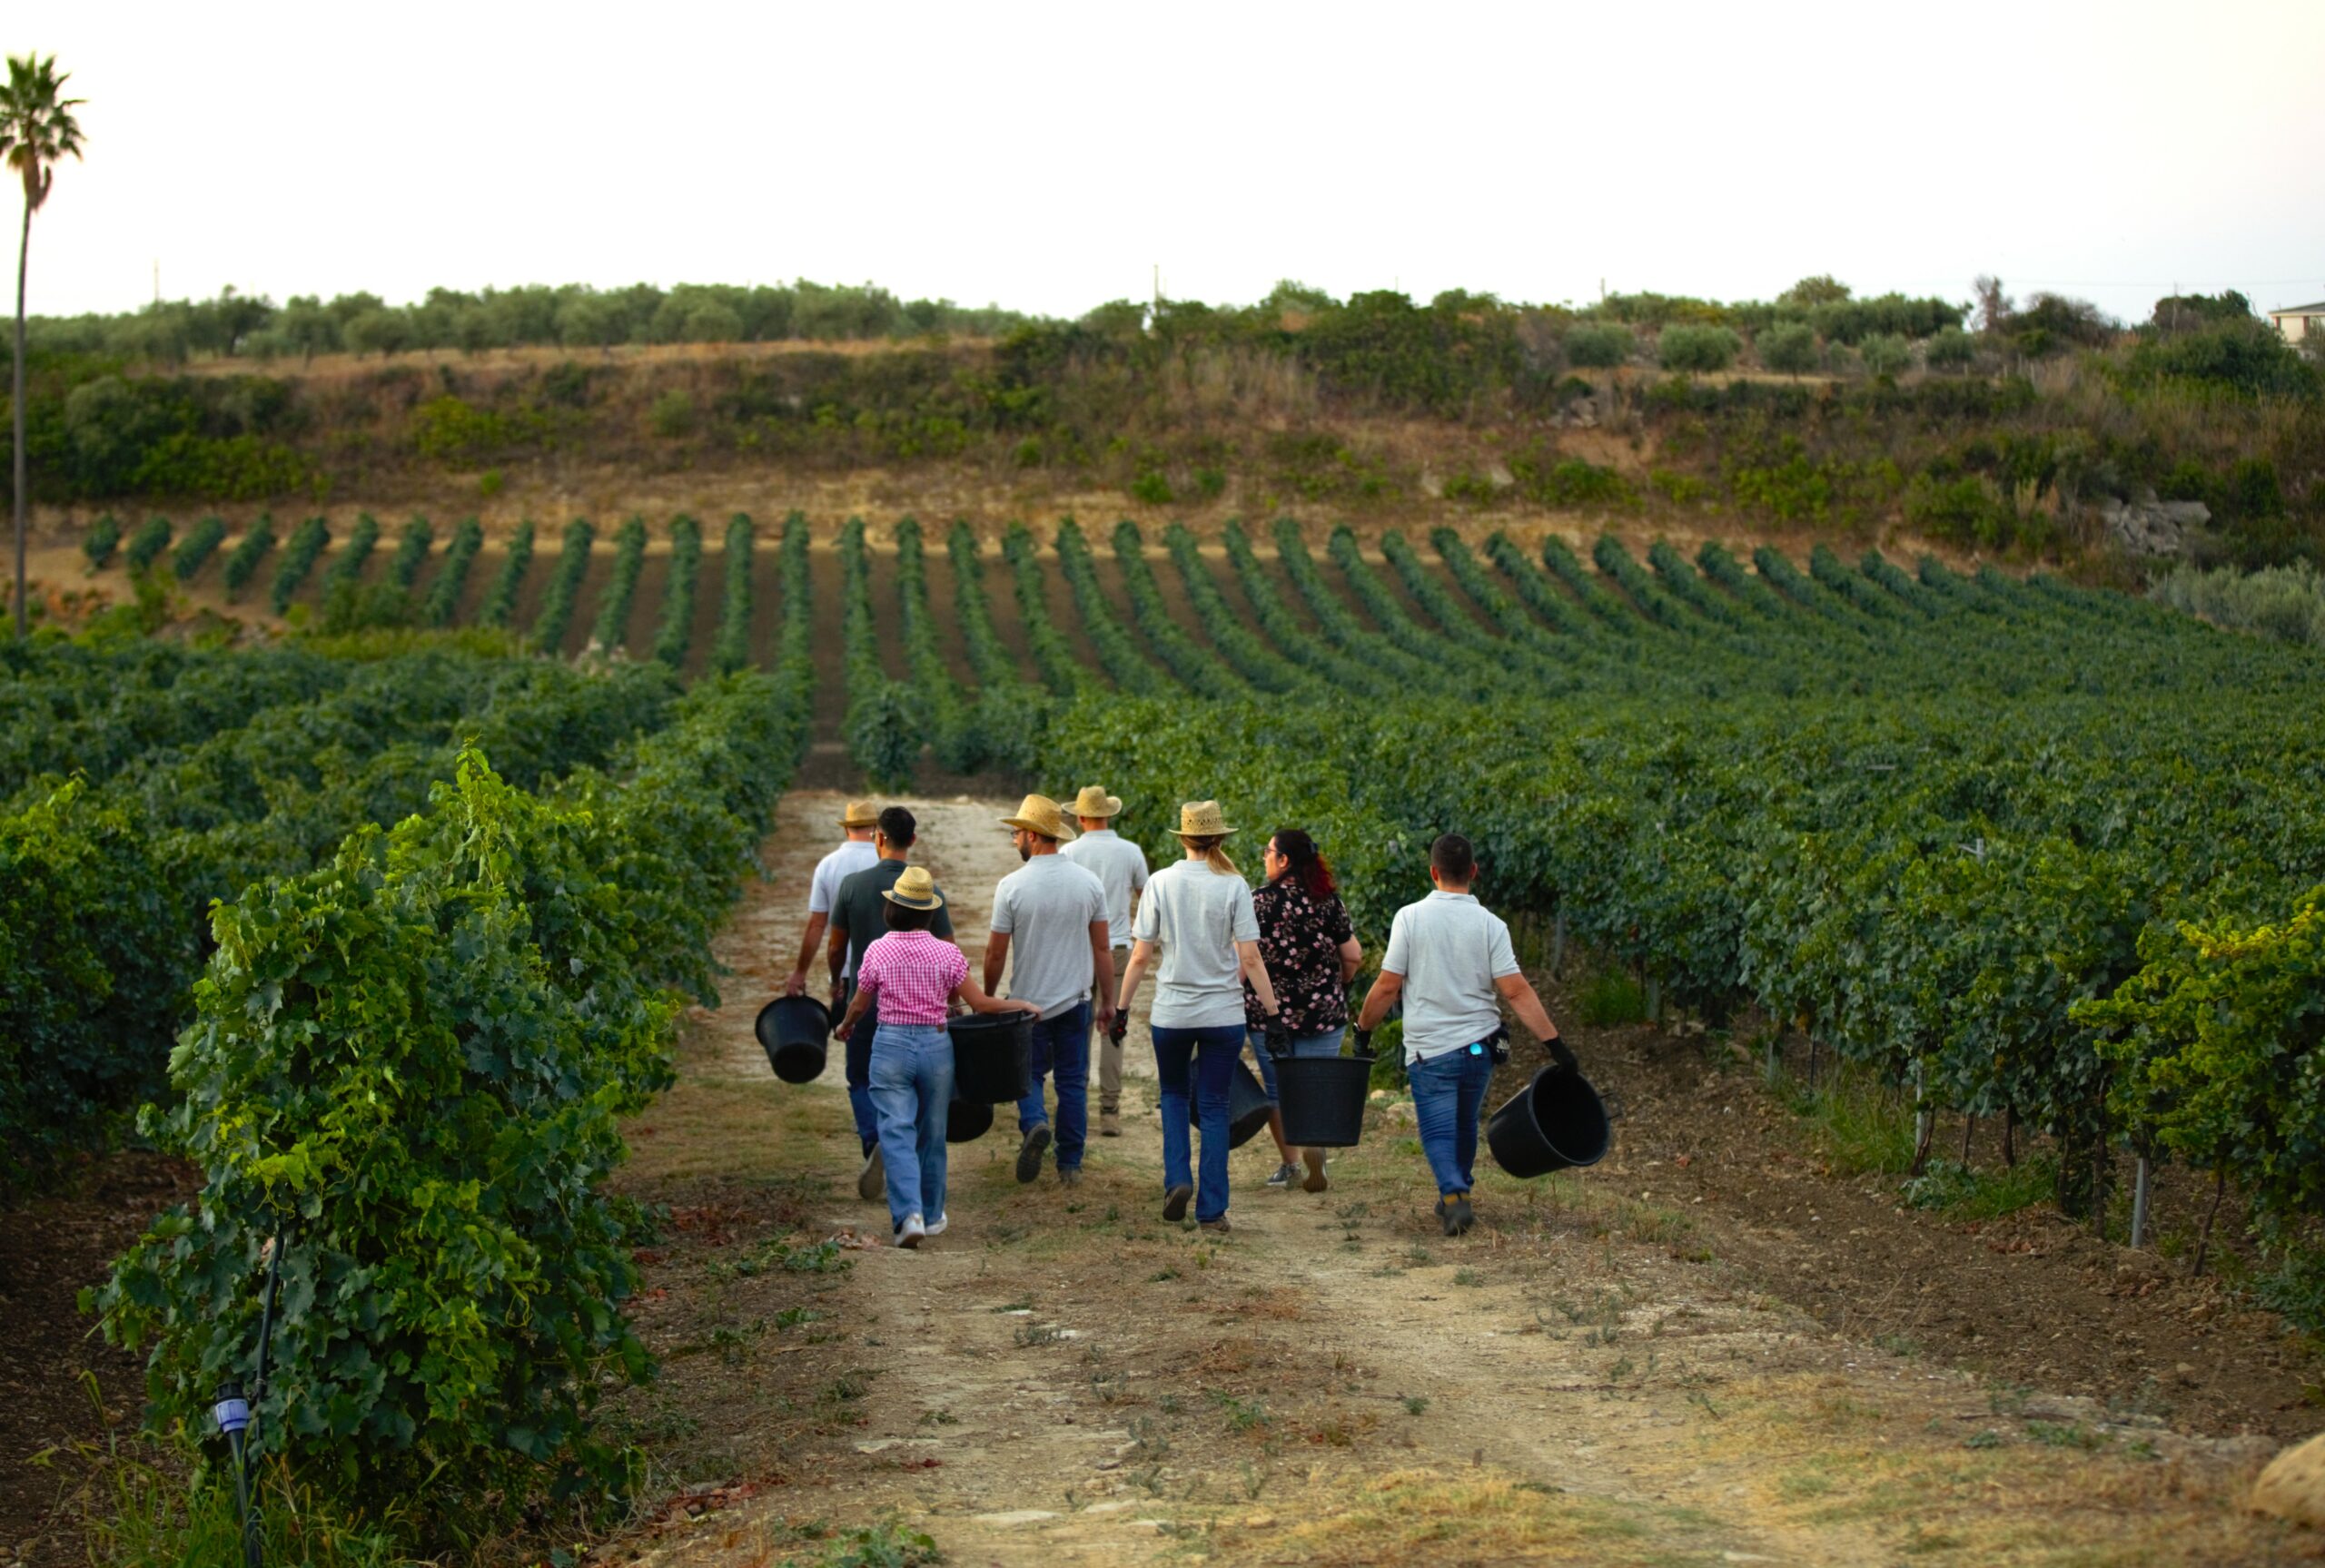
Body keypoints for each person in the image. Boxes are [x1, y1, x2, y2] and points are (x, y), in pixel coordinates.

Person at [1354, 832, 1567, 1238]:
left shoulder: (1410, 918)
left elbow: (1386, 986)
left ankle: (1453, 1196)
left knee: (1436, 1128)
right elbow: (1516, 990)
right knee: (1465, 1122)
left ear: (1433, 872)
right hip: (1478, 1047)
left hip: (1431, 1050)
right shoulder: (1491, 925)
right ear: (1473, 871)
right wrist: (1555, 1045)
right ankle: (1457, 1190)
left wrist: (1363, 1029)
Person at [833, 867, 1034, 1247]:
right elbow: (979, 1003)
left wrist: (846, 1025)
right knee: (933, 1131)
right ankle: (932, 1212)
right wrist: (1020, 1003)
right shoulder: (947, 953)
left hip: (890, 1044)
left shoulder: (878, 949)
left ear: (892, 910)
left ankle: (908, 1215)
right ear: (928, 913)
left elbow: (860, 1003)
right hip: (935, 1047)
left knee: (895, 1129)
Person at [1115, 801, 1287, 1234]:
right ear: (1219, 838)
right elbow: (1250, 957)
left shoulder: (1160, 882)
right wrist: (1273, 1013)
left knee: (1173, 1096)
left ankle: (1176, 1181)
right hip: (1222, 1014)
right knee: (1214, 1106)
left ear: (1184, 836)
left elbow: (1139, 957)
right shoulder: (1234, 886)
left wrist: (1120, 1009)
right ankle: (1212, 1210)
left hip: (1172, 1013)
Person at [984, 794, 1113, 1187]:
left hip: (1028, 1006)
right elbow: (1102, 948)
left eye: (1016, 833)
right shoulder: (1089, 883)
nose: (1013, 841)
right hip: (1076, 1002)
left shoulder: (1011, 886)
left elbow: (995, 951)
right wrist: (1108, 1001)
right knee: (1073, 1083)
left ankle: (1036, 1123)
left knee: (1029, 1077)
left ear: (1032, 835)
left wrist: (990, 998)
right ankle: (1070, 1165)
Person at [829, 807, 955, 1200]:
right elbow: (949, 948)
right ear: (913, 841)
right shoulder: (928, 890)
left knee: (861, 1080)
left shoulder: (852, 884)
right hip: (918, 1013)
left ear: (877, 838)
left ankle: (875, 1142)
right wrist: (951, 1000)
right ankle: (906, 1160)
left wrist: (838, 981)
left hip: (865, 1001)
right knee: (915, 1088)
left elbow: (836, 946)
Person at [1244, 828, 1362, 1195]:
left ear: (1283, 860)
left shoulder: (1258, 902)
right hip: (1323, 1013)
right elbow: (1353, 955)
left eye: (1268, 852)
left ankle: (1292, 1164)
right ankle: (1316, 1146)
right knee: (1317, 1086)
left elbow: (1245, 958)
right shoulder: (1329, 901)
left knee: (1279, 1090)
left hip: (1270, 1016)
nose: (1264, 857)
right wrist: (1339, 984)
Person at [786, 800, 882, 1193]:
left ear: (847, 829)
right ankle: (898, 1141)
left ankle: (872, 1139)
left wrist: (806, 973)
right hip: (895, 980)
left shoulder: (829, 866)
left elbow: (818, 926)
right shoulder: (891, 867)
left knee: (858, 1072)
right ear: (877, 830)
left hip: (851, 980)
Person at [1060, 784, 1149, 1138]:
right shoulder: (1130, 851)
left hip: (1080, 948)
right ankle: (1109, 1111)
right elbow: (1146, 896)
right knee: (1115, 1026)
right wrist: (1139, 934)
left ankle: (1076, 1102)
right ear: (1109, 814)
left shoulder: (1068, 851)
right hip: (1116, 946)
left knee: (1078, 1024)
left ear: (1080, 817)